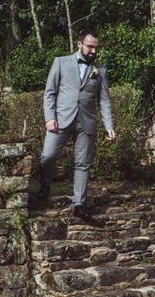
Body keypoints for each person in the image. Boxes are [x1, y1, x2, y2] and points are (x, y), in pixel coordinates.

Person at [37, 28, 115, 218]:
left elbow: (104, 100)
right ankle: (45, 184)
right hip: (61, 119)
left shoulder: (100, 70)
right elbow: (50, 93)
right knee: (47, 156)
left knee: (83, 163)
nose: (94, 51)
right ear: (79, 44)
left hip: (86, 122)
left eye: (96, 48)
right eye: (90, 47)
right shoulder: (61, 62)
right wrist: (50, 118)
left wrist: (109, 125)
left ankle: (79, 203)